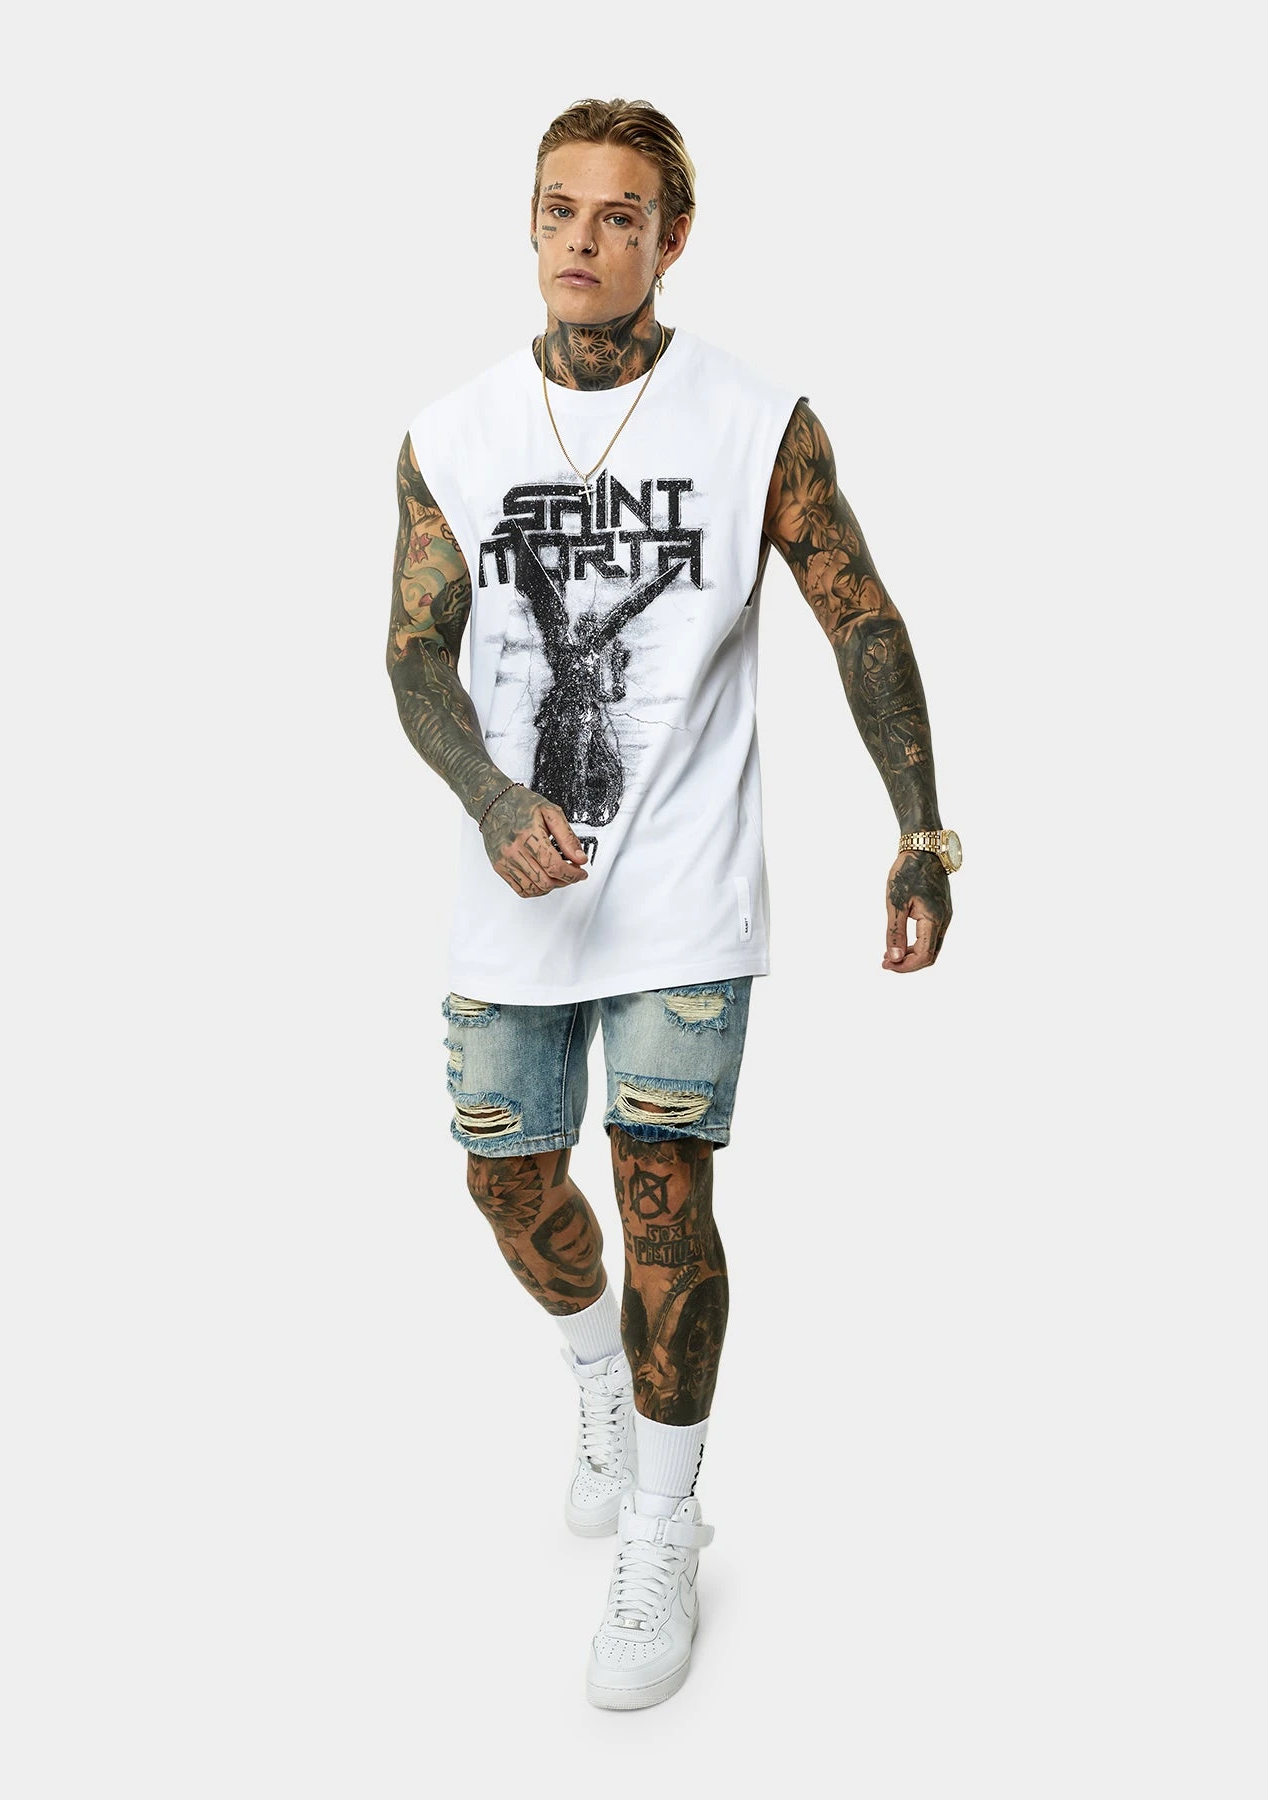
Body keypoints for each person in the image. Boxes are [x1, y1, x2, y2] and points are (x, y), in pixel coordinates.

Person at [386, 97, 959, 1711]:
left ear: (672, 238)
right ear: (530, 222)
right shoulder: (452, 436)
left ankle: (662, 1524)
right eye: (559, 209)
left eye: (620, 216)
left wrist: (922, 830)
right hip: (517, 886)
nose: (583, 240)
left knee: (663, 1203)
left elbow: (860, 618)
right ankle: (598, 1382)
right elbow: (413, 654)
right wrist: (493, 800)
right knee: (507, 1184)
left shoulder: (756, 422)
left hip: (686, 891)